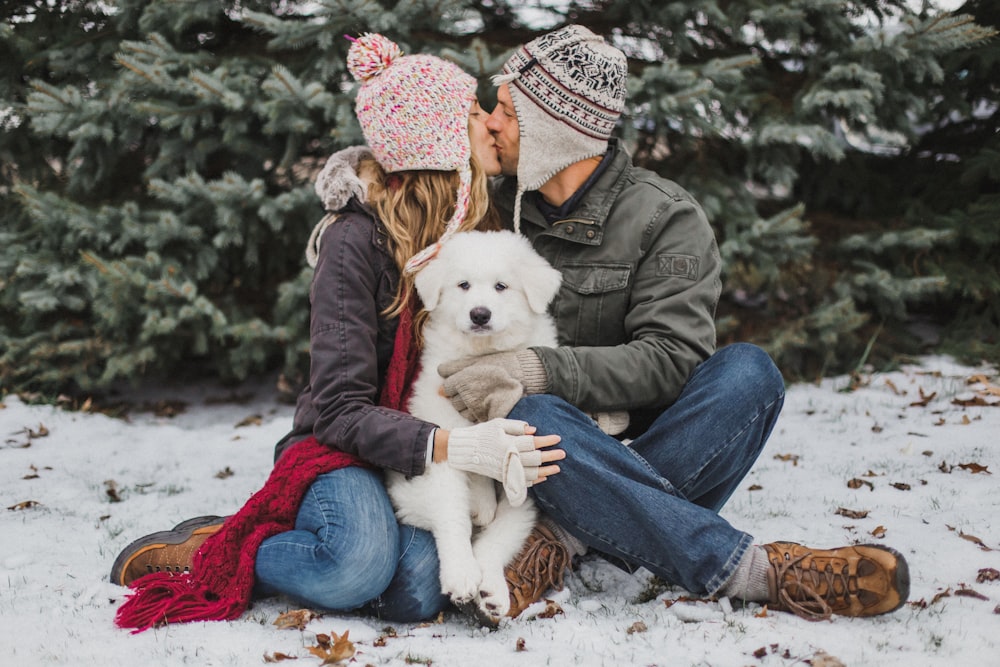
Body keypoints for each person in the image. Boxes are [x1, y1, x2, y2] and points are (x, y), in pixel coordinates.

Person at [437, 25, 910, 621]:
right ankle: (762, 572)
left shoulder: (664, 217)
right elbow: (397, 207)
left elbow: (672, 360)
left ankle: (560, 540)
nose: (490, 122)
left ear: (551, 129)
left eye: (505, 110)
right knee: (529, 415)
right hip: (529, 459)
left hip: (633, 441)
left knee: (749, 374)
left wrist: (536, 367)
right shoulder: (484, 206)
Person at [109, 33, 564, 632]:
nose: (489, 123)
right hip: (341, 447)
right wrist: (453, 445)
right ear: (442, 145)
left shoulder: (475, 229)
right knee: (354, 567)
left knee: (419, 590)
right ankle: (216, 548)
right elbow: (338, 410)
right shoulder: (353, 243)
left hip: (420, 462)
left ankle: (344, 545)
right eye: (475, 113)